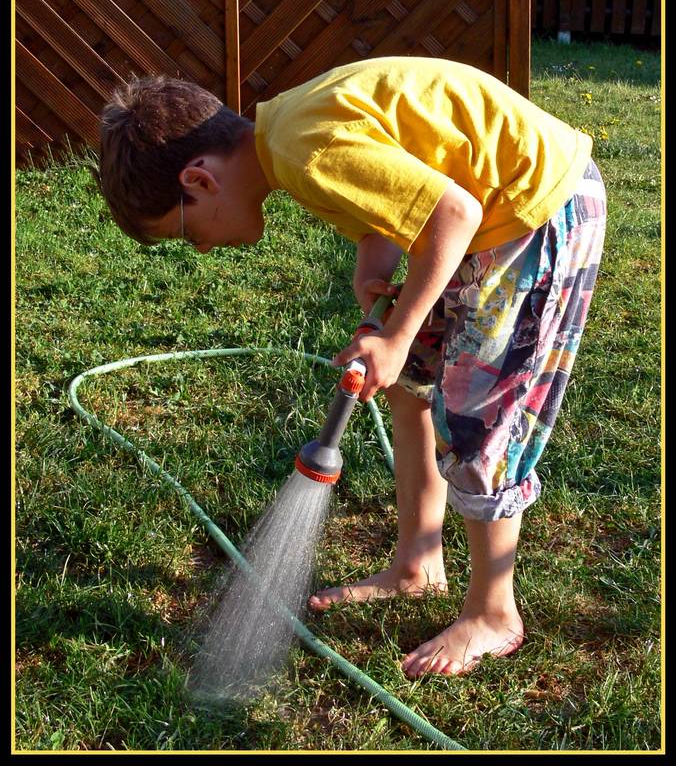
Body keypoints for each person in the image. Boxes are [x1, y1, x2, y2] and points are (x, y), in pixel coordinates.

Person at [96, 56, 606, 678]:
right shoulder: (286, 137)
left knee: (480, 416)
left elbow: (453, 213)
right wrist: (374, 279)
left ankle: (494, 612)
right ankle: (417, 564)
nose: (201, 247)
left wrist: (393, 339)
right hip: (484, 219)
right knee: (412, 385)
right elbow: (397, 208)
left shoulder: (305, 149)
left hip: (532, 210)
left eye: (186, 233)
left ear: (200, 181)